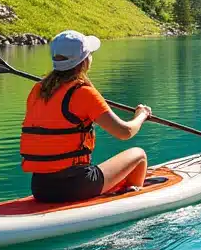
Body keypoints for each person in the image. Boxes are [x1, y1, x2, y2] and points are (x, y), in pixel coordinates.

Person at [21, 30, 151, 203]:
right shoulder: (84, 93)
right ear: (84, 62)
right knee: (139, 155)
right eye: (90, 54)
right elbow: (125, 132)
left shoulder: (38, 90)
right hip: (76, 186)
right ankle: (131, 202)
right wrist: (141, 115)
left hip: (41, 188)